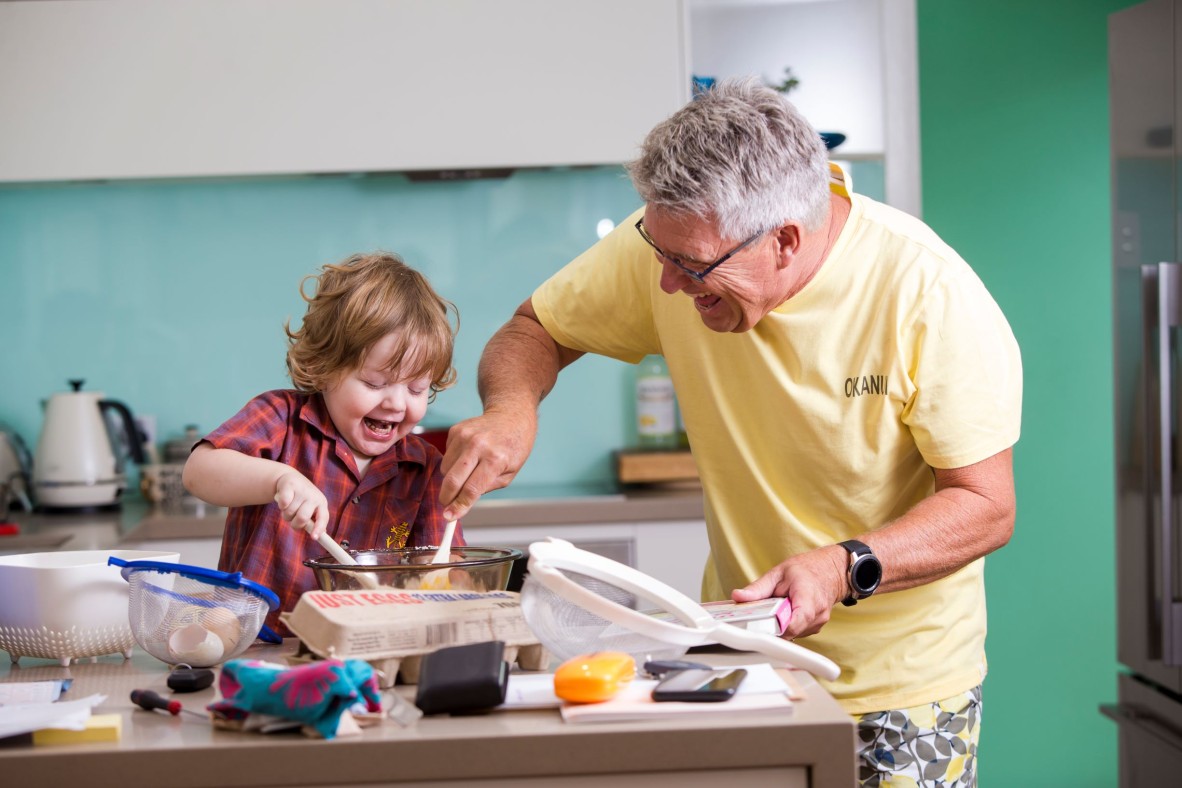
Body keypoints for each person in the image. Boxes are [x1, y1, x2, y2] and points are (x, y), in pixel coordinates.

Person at [439, 78, 1020, 786]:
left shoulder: (926, 293)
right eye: (659, 251)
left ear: (784, 241)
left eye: (691, 267)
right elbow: (535, 328)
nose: (667, 287)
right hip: (740, 662)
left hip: (899, 690)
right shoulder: (679, 243)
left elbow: (986, 505)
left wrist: (841, 565)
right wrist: (511, 409)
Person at [183, 251, 462, 633]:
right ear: (325, 369)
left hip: (362, 652)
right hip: (258, 647)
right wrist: (279, 479)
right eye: (375, 383)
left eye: (416, 388)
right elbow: (198, 472)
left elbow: (441, 578)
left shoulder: (426, 469)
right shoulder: (281, 419)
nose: (396, 403)